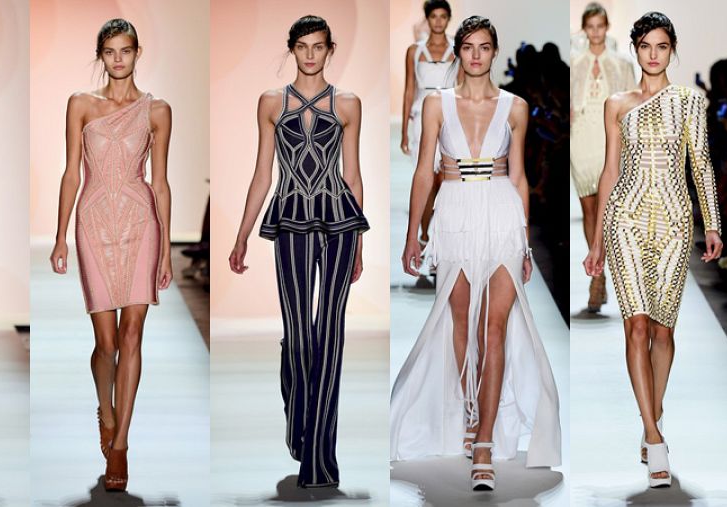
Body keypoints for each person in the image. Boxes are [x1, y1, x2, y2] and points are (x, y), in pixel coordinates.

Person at [391, 15, 561, 492]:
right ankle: (471, 407)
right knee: (462, 323)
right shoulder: (436, 104)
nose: (475, 55)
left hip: (502, 212)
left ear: (494, 52)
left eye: (484, 47)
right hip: (454, 213)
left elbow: (520, 176)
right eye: (468, 47)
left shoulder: (515, 107)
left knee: (495, 327)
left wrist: (525, 241)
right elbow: (423, 172)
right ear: (459, 52)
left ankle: (483, 442)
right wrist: (413, 235)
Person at [583, 11, 723, 488]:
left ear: (672, 50)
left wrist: (713, 224)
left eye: (662, 46)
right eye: (645, 45)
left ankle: (653, 413)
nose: (653, 54)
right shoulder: (616, 104)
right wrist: (598, 240)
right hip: (626, 217)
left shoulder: (690, 101)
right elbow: (609, 172)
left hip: (674, 222)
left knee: (663, 332)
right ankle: (653, 436)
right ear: (636, 49)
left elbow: (701, 164)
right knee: (636, 325)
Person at [228, 15, 368, 488]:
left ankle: (318, 456)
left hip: (340, 222)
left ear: (330, 49)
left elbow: (353, 175)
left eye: (318, 46)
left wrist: (360, 242)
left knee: (330, 332)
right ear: (292, 49)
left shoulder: (348, 103)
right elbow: (262, 173)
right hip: (290, 219)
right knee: (299, 334)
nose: (310, 54)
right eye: (303, 46)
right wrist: (242, 234)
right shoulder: (272, 102)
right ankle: (299, 420)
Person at [49, 18, 173, 492]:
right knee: (107, 342)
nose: (118, 59)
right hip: (94, 222)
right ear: (100, 55)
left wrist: (165, 248)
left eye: (125, 50)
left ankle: (120, 444)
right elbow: (71, 173)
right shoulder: (81, 104)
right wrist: (60, 235)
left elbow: (160, 182)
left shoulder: (157, 110)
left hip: (141, 223)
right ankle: (106, 407)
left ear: (138, 53)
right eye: (109, 51)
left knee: (132, 331)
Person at [570, 2, 635, 312]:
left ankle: (600, 275)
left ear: (606, 27)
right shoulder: (574, 61)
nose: (595, 32)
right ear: (585, 29)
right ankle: (598, 274)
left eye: (599, 26)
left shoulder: (622, 63)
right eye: (590, 26)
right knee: (588, 207)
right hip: (581, 136)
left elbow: (633, 102)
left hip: (610, 137)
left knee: (607, 209)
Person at [402, 0, 459, 249]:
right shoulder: (414, 51)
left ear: (448, 19)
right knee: (425, 178)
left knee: (445, 181)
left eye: (443, 16)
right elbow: (409, 90)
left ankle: (441, 237)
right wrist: (404, 132)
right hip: (421, 118)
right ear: (427, 19)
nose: (438, 21)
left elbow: (462, 88)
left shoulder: (458, 49)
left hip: (450, 117)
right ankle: (424, 235)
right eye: (434, 16)